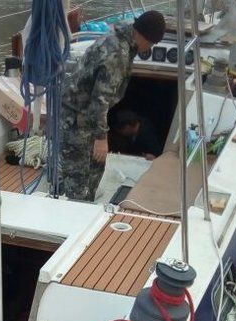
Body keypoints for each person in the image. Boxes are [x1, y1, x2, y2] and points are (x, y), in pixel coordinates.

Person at [56, 11, 166, 201]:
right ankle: (77, 207)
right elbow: (100, 99)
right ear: (144, 36)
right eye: (152, 42)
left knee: (95, 168)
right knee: (79, 180)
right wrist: (101, 138)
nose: (151, 47)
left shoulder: (119, 36)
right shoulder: (117, 54)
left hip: (85, 115)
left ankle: (86, 202)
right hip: (75, 118)